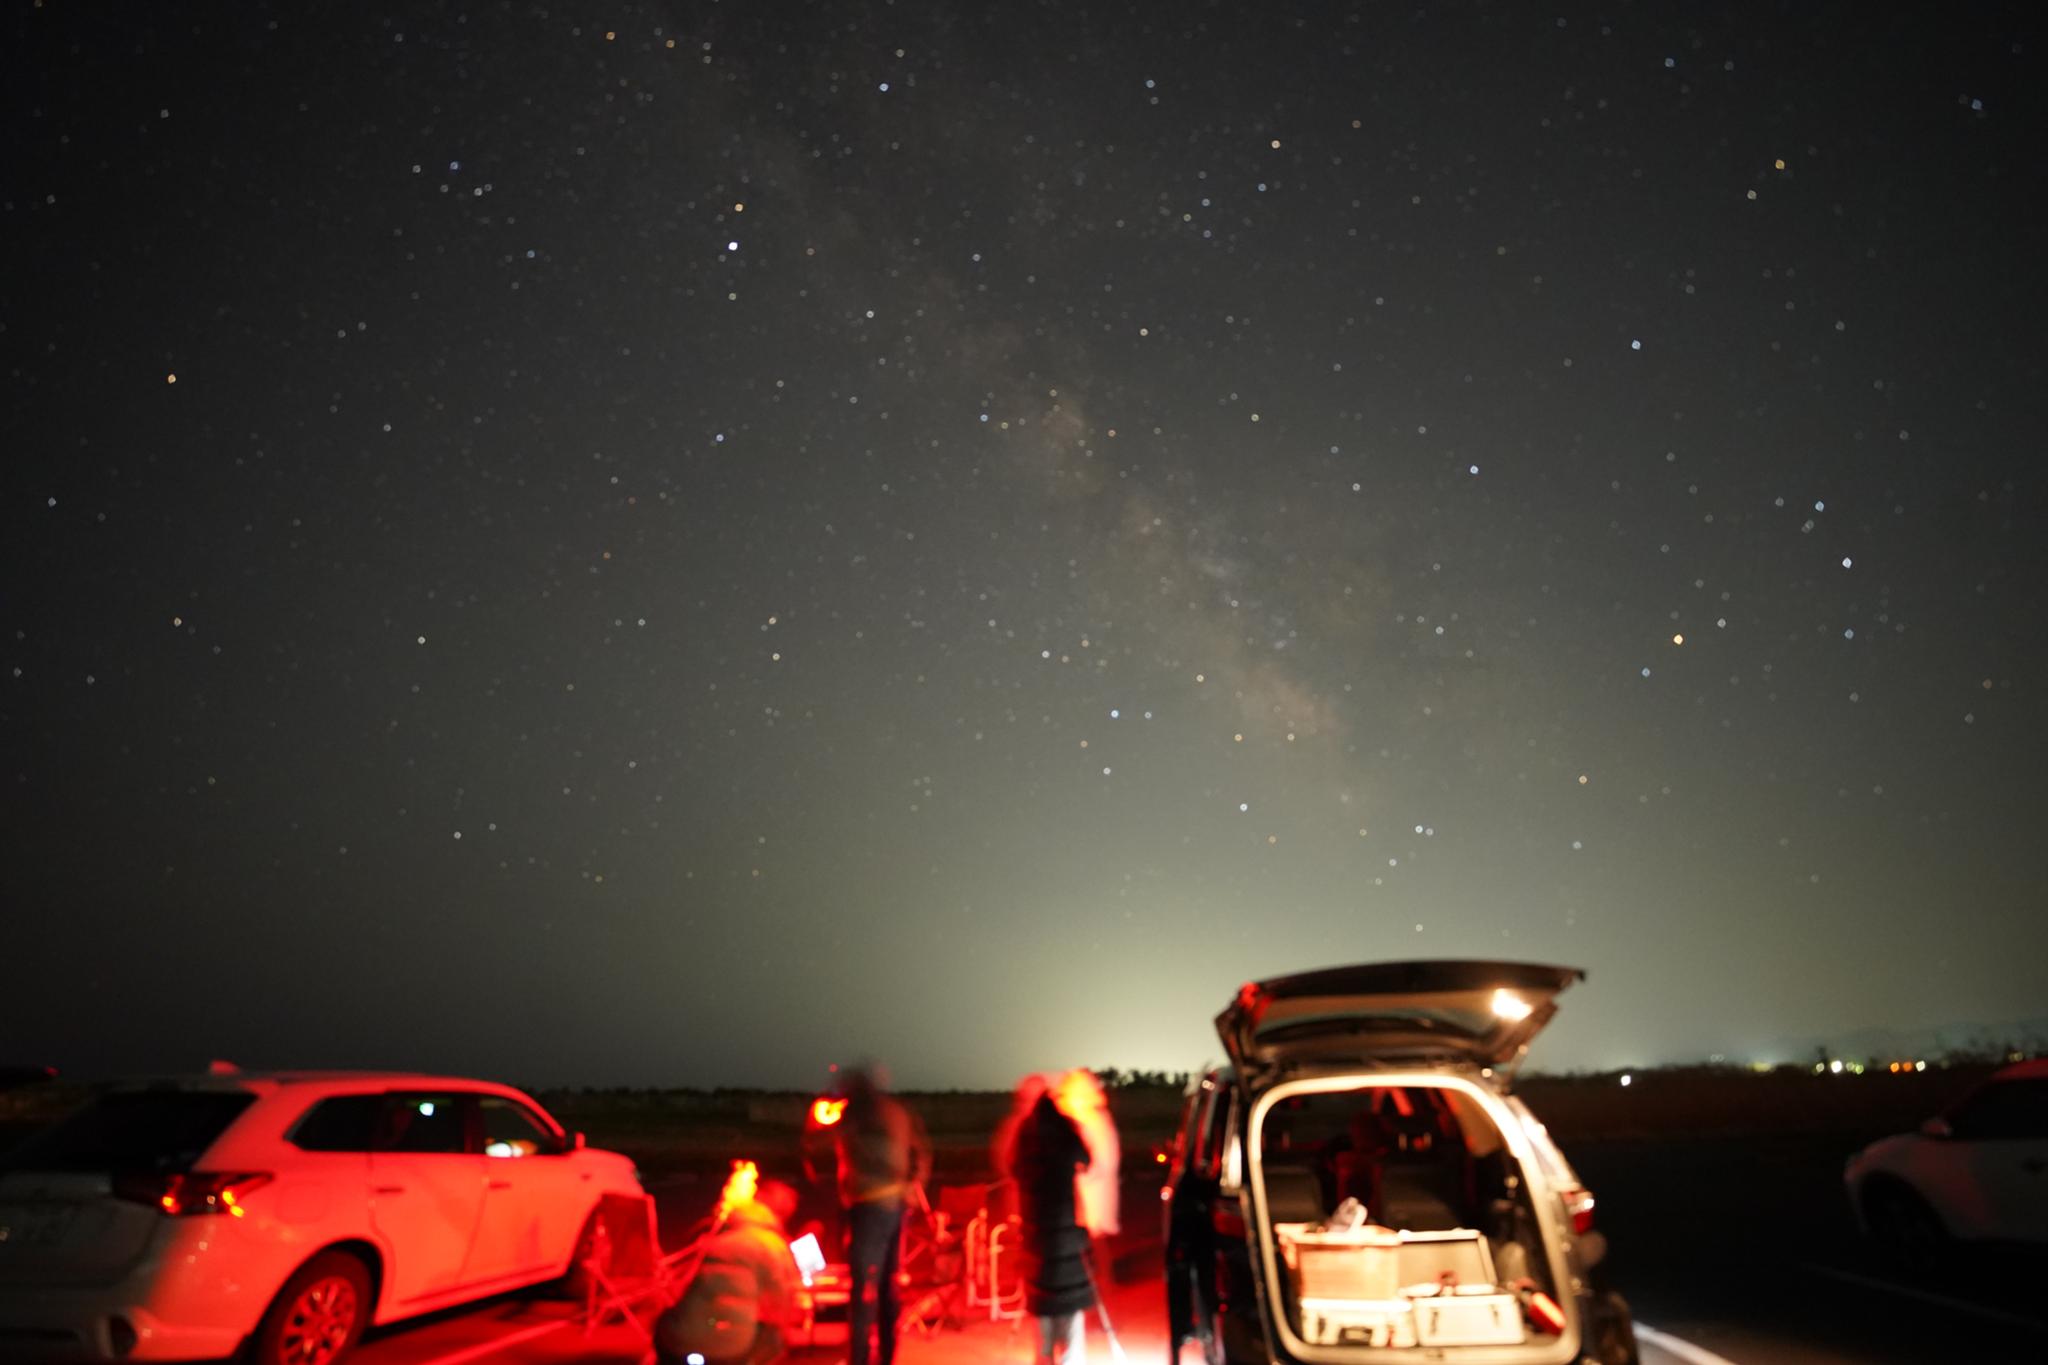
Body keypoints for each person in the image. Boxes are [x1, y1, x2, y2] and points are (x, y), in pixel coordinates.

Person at [834, 1065, 931, 1365]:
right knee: (889, 1285)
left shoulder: (856, 1114)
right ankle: (888, 1355)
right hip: (895, 1207)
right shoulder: (899, 1111)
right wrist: (912, 1186)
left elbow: (828, 1144)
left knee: (863, 1287)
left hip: (867, 1206)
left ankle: (860, 1357)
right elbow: (921, 1150)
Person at [999, 1075, 1096, 1364]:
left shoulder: (1025, 1133)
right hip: (1067, 1237)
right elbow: (1087, 1160)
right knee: (1070, 1314)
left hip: (1036, 1239)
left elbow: (1012, 1168)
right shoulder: (1066, 1129)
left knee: (1043, 1315)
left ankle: (1044, 1359)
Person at [655, 1180, 802, 1365]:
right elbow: (782, 1299)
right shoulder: (772, 1245)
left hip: (680, 1340)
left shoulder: (719, 1238)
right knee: (773, 1339)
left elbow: (682, 1287)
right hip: (733, 1347)